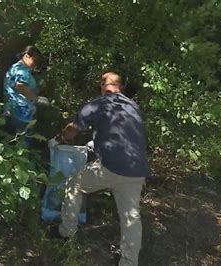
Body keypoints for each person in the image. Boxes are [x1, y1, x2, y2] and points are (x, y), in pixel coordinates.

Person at [56, 71, 150, 266]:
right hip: (137, 169)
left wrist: (60, 138)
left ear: (101, 86)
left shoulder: (97, 104)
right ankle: (129, 262)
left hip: (111, 167)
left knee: (74, 184)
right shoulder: (133, 106)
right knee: (131, 217)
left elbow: (73, 130)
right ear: (120, 87)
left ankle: (66, 234)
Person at [3, 45, 50, 146]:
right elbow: (21, 87)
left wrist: (37, 88)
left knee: (14, 141)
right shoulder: (22, 71)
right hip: (21, 112)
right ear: (27, 56)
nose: (36, 64)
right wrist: (37, 99)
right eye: (35, 61)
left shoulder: (15, 67)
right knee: (23, 143)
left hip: (13, 109)